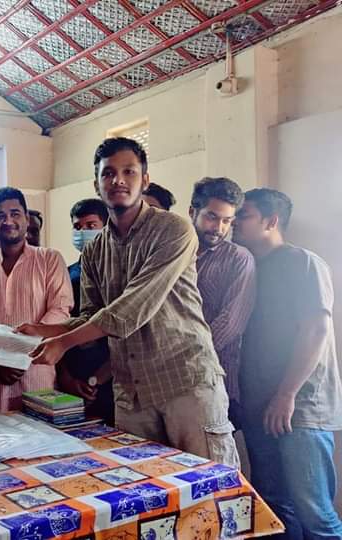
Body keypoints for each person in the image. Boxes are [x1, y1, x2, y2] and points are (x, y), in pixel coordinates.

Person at [18, 138, 238, 468]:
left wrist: (62, 342)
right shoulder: (94, 250)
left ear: (144, 180)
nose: (118, 180)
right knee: (143, 490)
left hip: (184, 382)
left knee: (209, 485)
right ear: (97, 184)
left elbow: (133, 308)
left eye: (129, 172)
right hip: (131, 393)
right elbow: (93, 317)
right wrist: (42, 329)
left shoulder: (174, 230)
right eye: (108, 173)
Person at [234, 188, 342, 538]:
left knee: (315, 514)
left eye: (244, 215)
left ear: (271, 221)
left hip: (300, 407)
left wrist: (286, 395)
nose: (234, 223)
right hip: (259, 407)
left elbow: (316, 329)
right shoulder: (246, 268)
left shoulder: (303, 262)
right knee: (275, 510)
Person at [0, 187, 73, 415]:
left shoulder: (49, 259)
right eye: (0, 216)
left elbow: (60, 311)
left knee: (38, 437)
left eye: (15, 213)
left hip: (36, 374)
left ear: (26, 218)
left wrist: (18, 354)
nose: (8, 221)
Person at [189, 177, 255, 428]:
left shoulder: (239, 259)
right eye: (212, 217)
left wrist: (185, 357)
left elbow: (231, 323)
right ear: (192, 212)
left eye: (227, 221)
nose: (219, 227)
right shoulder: (173, 254)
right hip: (165, 384)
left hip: (215, 383)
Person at [59, 198, 113, 422]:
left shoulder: (119, 273)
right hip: (72, 374)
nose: (83, 232)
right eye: (77, 227)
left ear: (106, 226)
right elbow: (60, 324)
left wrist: (97, 379)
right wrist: (67, 379)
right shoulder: (66, 273)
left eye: (91, 226)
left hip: (112, 376)